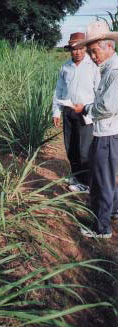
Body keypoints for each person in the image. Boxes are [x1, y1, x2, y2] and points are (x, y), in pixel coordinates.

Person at [72, 21, 118, 239]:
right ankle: (113, 209)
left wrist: (87, 108)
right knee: (104, 178)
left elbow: (107, 107)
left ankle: (102, 228)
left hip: (107, 135)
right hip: (105, 133)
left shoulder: (115, 72)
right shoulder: (107, 69)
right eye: (90, 52)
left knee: (101, 183)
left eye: (94, 51)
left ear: (109, 46)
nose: (92, 56)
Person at [52, 32, 100, 192]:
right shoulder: (66, 67)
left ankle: (86, 184)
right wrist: (56, 112)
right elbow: (59, 90)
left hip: (86, 113)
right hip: (68, 111)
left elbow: (99, 93)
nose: (77, 52)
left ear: (85, 48)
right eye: (73, 49)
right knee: (70, 147)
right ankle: (76, 176)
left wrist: (93, 111)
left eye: (80, 48)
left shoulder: (93, 67)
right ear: (70, 50)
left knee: (84, 150)